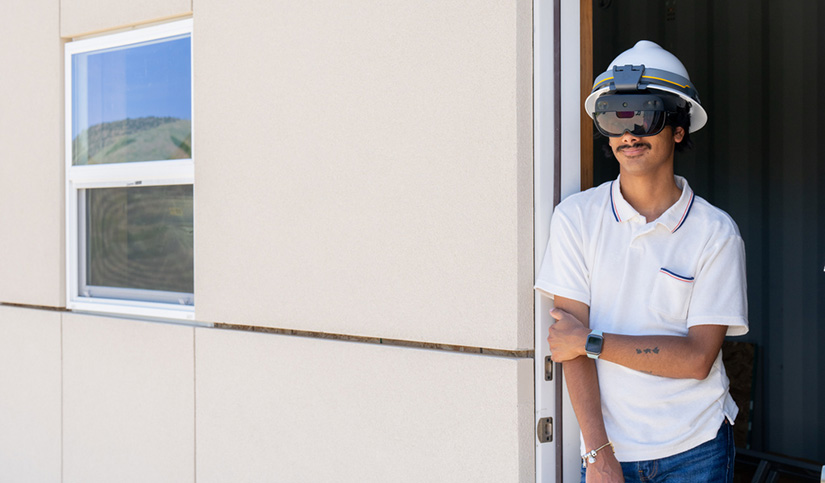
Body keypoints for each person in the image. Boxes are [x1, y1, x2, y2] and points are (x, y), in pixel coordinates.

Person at [535, 40, 748, 483]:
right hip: (609, 447)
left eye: (645, 116)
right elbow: (565, 345)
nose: (628, 135)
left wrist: (591, 341)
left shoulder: (715, 232)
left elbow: (696, 359)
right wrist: (598, 453)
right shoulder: (575, 219)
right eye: (615, 117)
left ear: (677, 129)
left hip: (697, 448)